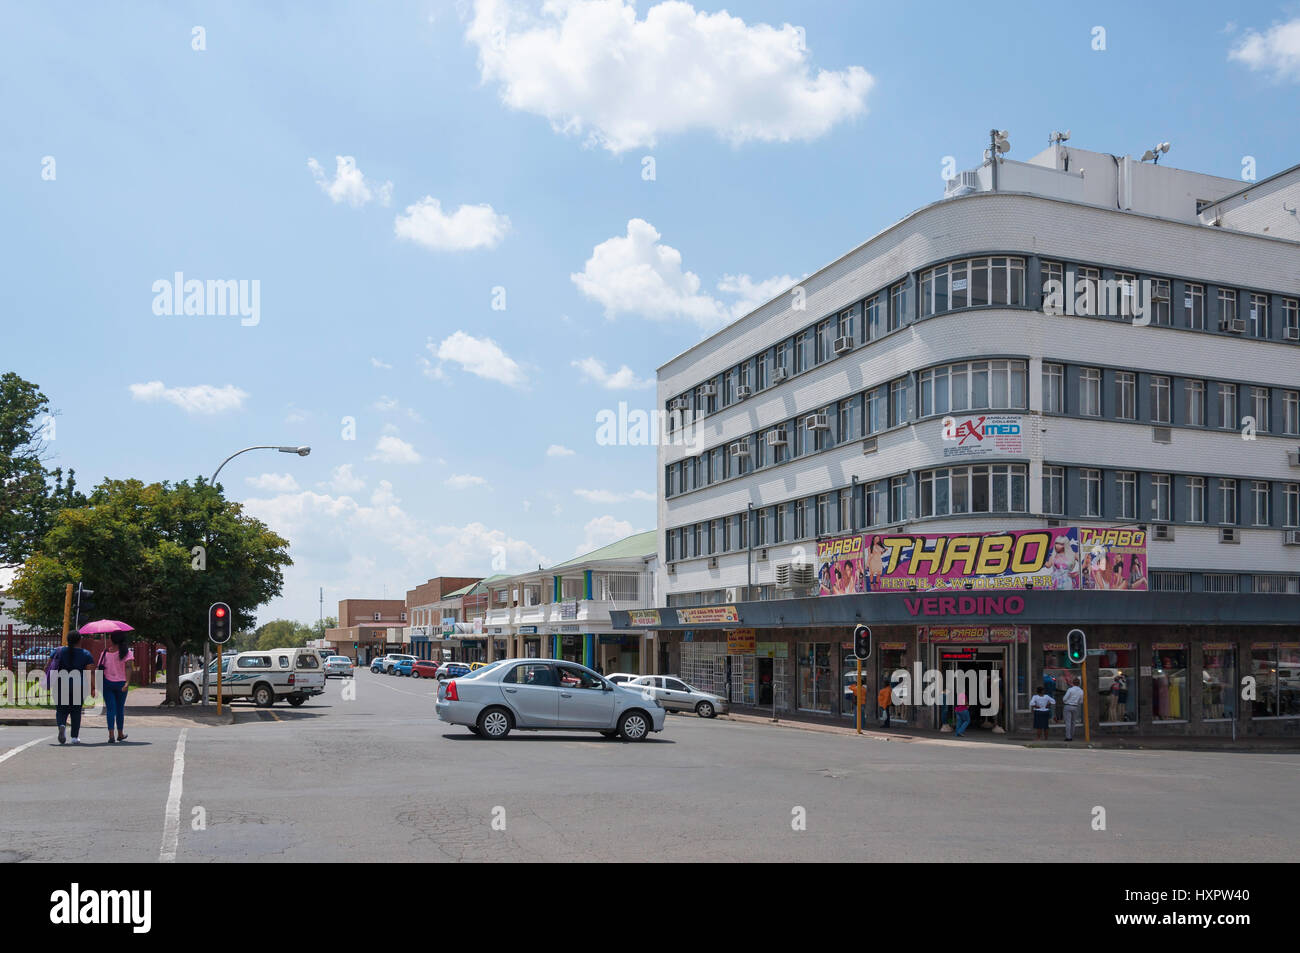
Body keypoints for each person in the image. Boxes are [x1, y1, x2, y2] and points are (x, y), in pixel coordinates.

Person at [51, 633, 97, 745]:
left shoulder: (58, 651)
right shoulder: (86, 654)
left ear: (67, 640)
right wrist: (93, 688)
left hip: (60, 683)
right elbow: (90, 672)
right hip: (79, 685)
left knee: (61, 710)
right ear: (80, 640)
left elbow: (48, 666)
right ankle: (74, 737)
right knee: (76, 711)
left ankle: (62, 725)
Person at [99, 632, 134, 744]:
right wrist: (127, 683)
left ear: (112, 639)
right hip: (121, 684)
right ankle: (120, 734)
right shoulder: (127, 652)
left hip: (107, 684)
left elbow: (99, 667)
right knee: (119, 709)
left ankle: (111, 735)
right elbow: (128, 667)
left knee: (110, 709)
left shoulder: (105, 652)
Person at [1062, 675, 1084, 742]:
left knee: (1068, 722)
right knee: (1073, 722)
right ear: (1079, 683)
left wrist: (1066, 702)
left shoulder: (1070, 690)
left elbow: (1064, 698)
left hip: (1068, 706)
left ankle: (1068, 737)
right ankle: (1071, 735)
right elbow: (1081, 701)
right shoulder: (1081, 691)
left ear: (1073, 683)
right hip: (1075, 706)